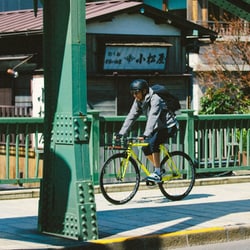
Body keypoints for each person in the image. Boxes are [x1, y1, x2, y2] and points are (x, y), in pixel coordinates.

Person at [117, 79, 179, 182]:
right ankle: (159, 169)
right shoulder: (138, 101)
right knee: (145, 148)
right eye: (132, 93)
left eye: (136, 93)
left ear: (144, 91)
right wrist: (121, 132)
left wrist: (146, 133)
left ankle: (157, 172)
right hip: (157, 127)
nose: (134, 95)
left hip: (169, 126)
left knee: (153, 143)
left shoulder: (156, 99)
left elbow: (153, 116)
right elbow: (131, 116)